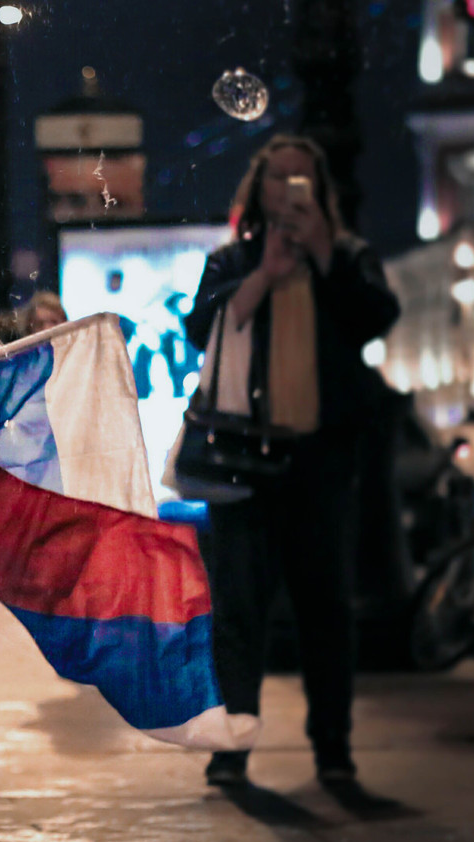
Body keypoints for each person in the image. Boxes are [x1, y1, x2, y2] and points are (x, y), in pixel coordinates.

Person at [183, 134, 400, 787]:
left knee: (325, 608)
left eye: (303, 181)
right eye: (279, 180)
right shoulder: (233, 257)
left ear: (320, 193)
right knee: (241, 611)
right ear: (260, 191)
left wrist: (325, 253)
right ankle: (234, 745)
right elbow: (202, 331)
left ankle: (332, 747)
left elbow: (376, 317)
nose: (290, 193)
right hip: (243, 464)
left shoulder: (350, 256)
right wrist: (265, 274)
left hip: (322, 462)